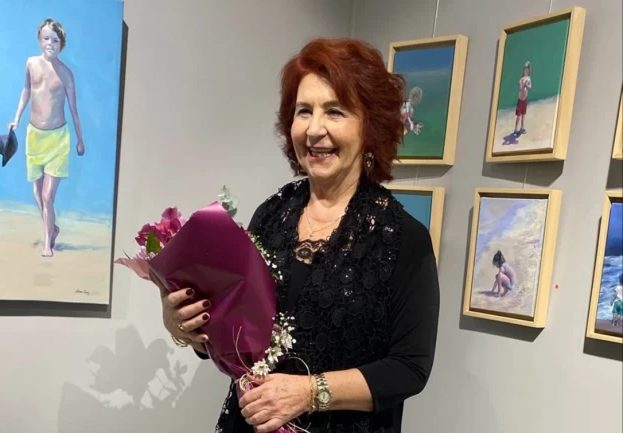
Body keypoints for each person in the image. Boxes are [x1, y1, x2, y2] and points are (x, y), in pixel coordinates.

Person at [154, 38, 441, 433]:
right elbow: (235, 334)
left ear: (370, 125)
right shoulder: (272, 215)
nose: (314, 129)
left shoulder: (403, 238)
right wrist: (185, 328)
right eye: (304, 111)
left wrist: (309, 392)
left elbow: (409, 368)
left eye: (335, 111)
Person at [8, 18, 85, 257]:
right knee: (36, 194)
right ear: (39, 40)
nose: (50, 43)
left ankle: (47, 243)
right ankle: (53, 228)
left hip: (58, 139)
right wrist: (16, 119)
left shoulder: (66, 74)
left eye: (55, 40)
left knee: (47, 196)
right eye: (46, 38)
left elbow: (74, 110)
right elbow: (26, 90)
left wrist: (80, 139)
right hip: (34, 136)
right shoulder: (31, 63)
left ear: (62, 44)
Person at [514, 61, 532, 137]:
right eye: (525, 71)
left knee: (523, 115)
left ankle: (522, 128)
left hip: (525, 100)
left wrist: (527, 85)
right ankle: (515, 129)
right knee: (518, 116)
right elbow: (520, 89)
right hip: (520, 100)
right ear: (523, 72)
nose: (526, 72)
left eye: (527, 71)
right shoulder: (520, 80)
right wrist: (523, 84)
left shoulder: (529, 79)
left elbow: (530, 87)